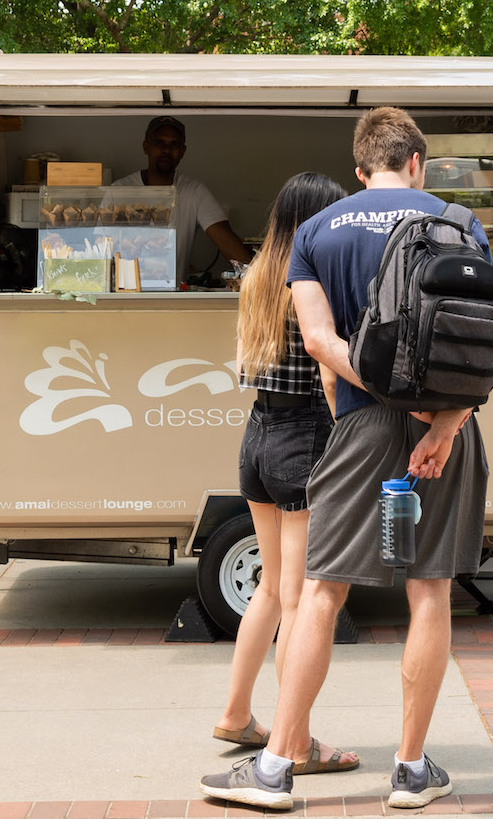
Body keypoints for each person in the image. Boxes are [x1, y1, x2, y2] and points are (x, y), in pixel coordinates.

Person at [200, 107, 490, 811]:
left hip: (357, 426)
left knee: (322, 591)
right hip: (445, 435)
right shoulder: (460, 222)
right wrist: (440, 420)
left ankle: (272, 771)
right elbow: (481, 343)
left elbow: (323, 344)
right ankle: (411, 769)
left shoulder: (318, 232)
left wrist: (384, 396)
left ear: (361, 170)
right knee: (429, 590)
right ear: (416, 161)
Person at [211, 172, 359, 778]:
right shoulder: (312, 280)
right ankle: (294, 742)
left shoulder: (254, 277)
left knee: (270, 590)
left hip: (257, 439)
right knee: (299, 599)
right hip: (302, 442)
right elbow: (327, 369)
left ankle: (236, 713)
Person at [111, 116, 252, 282]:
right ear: (146, 147)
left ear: (183, 152)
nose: (166, 150)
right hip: (126, 292)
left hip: (173, 296)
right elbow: (103, 249)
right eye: (159, 143)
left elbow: (226, 240)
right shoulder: (119, 191)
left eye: (174, 145)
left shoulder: (194, 191)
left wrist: (259, 276)